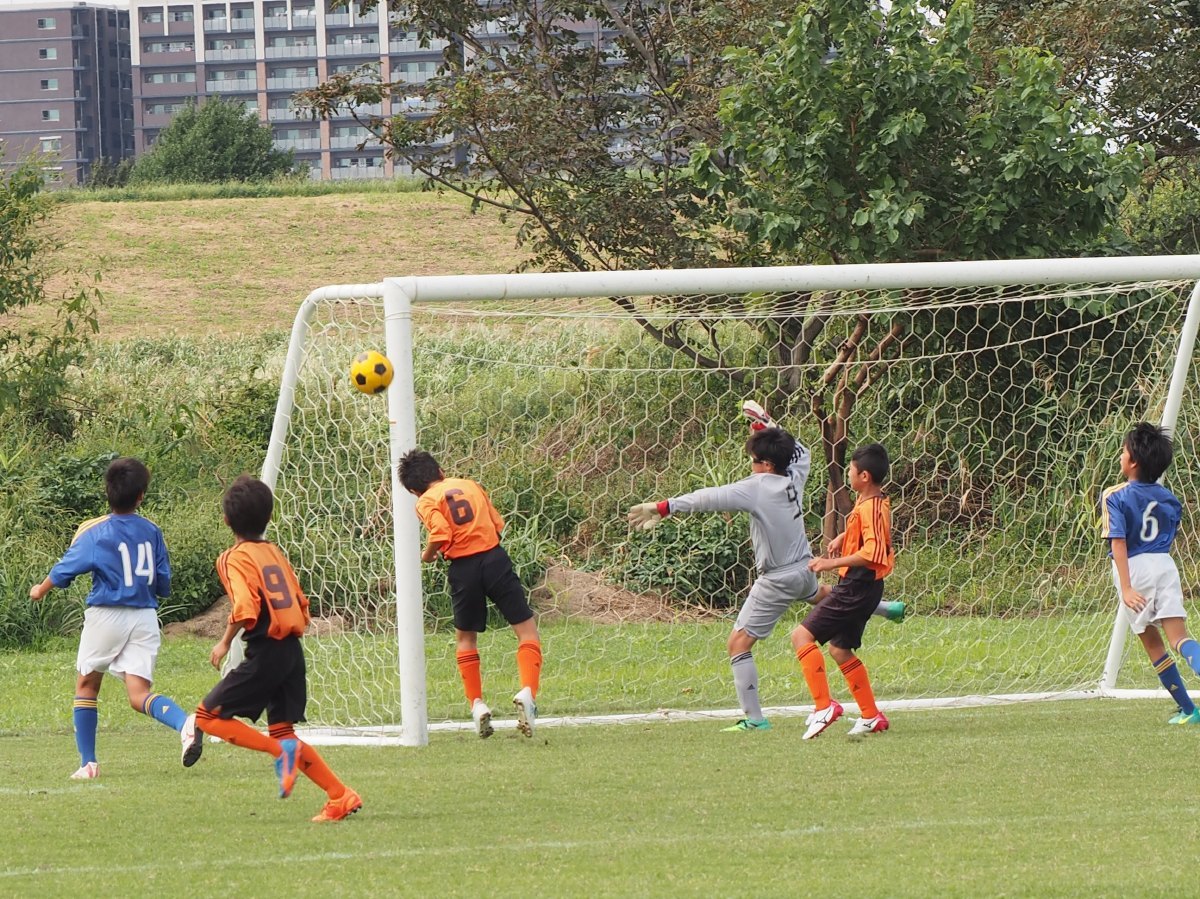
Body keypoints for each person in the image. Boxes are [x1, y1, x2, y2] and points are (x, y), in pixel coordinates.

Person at [628, 402, 905, 733]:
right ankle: (883, 608)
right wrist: (767, 425)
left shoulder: (756, 487)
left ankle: (756, 719)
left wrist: (665, 506)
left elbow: (709, 497)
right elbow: (801, 452)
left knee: (738, 644)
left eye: (755, 460)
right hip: (805, 569)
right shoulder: (794, 475)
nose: (751, 465)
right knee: (824, 596)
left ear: (767, 464)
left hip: (777, 580)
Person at [184, 475, 362, 823]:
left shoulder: (233, 558)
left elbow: (245, 607)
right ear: (268, 517)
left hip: (266, 651)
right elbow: (301, 602)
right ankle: (340, 795)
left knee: (207, 717)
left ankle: (280, 752)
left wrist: (224, 641)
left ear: (226, 520)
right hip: (291, 649)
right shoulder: (274, 552)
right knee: (283, 730)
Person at [29, 456, 197, 779]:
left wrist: (41, 589)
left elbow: (66, 568)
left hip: (107, 615)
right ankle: (184, 724)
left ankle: (88, 763)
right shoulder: (152, 531)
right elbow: (163, 584)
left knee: (87, 684)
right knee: (138, 694)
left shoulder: (97, 532)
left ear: (107, 492)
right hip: (145, 617)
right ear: (141, 496)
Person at [398, 449, 543, 739]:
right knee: (527, 632)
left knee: (466, 639)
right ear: (441, 472)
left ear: (414, 491)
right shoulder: (470, 485)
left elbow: (440, 533)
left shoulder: (426, 500)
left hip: (463, 570)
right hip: (494, 559)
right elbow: (498, 524)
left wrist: (427, 555)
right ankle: (527, 692)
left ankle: (477, 704)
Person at [793, 442, 895, 740]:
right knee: (839, 649)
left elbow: (873, 552)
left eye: (850, 470)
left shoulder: (871, 507)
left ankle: (824, 707)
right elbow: (867, 531)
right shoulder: (872, 501)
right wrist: (843, 536)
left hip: (857, 587)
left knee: (801, 636)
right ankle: (871, 715)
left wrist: (831, 562)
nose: (848, 474)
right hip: (864, 587)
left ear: (864, 476)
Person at [1101, 421, 1200, 725]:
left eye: (1123, 451)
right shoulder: (1170, 499)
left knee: (1152, 642)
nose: (1120, 456)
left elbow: (1118, 542)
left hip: (1135, 569)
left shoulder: (1114, 495)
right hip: (1165, 565)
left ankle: (1189, 710)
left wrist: (1127, 587)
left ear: (1133, 462)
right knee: (1180, 639)